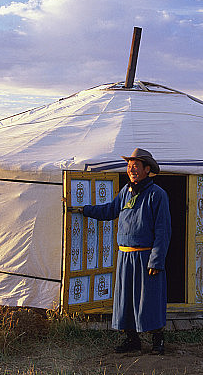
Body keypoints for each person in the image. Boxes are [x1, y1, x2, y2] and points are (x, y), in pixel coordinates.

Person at [71, 148, 171, 355]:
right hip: (125, 255)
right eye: (129, 166)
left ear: (147, 169)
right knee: (126, 300)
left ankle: (158, 340)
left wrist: (156, 260)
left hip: (145, 256)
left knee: (149, 298)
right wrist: (85, 210)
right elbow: (110, 210)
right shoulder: (126, 191)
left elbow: (163, 230)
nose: (131, 170)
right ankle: (132, 339)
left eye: (136, 166)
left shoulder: (157, 195)